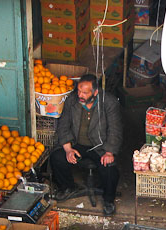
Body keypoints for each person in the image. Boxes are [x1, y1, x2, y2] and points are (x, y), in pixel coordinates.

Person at [50, 73, 122, 216]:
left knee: (109, 169)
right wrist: (68, 149)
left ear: (95, 92)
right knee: (56, 158)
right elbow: (63, 126)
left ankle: (108, 201)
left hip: (99, 146)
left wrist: (109, 152)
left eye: (84, 92)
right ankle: (68, 187)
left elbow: (115, 129)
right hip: (77, 143)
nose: (80, 95)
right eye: (79, 91)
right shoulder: (72, 100)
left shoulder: (109, 102)